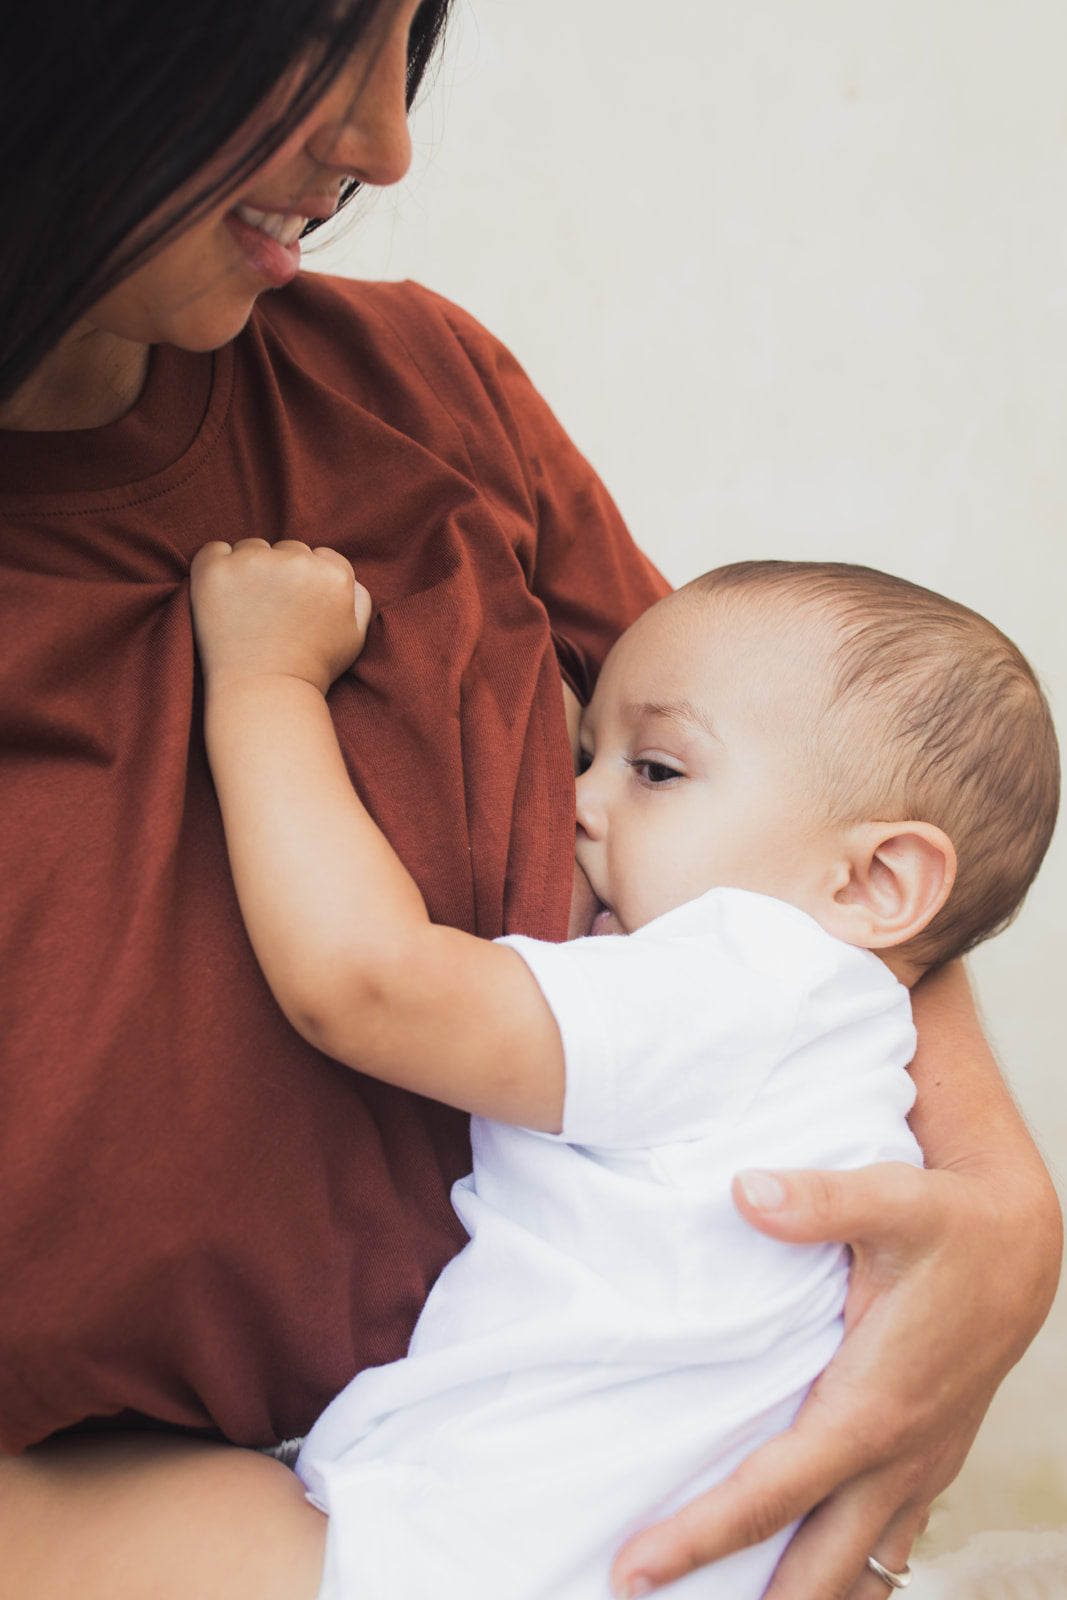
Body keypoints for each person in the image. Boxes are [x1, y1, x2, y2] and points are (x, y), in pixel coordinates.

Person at [0, 2, 1060, 1597]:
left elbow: (817, 812)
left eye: (407, 38)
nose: (382, 143)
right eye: (318, 39)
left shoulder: (420, 396)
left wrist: (997, 1214)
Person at [187, 549, 1058, 1599]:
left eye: (654, 770)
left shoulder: (743, 976)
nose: (576, 801)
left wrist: (264, 683)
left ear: (874, 879)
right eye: (586, 750)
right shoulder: (852, 1044)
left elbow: (365, 982)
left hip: (473, 1552)